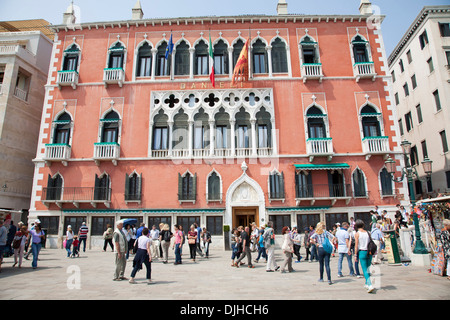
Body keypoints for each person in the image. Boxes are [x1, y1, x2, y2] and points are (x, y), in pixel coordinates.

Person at [354, 219, 374, 293]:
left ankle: (370, 284)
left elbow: (356, 246)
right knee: (368, 268)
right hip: (369, 252)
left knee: (364, 269)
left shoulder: (357, 234)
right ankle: (366, 283)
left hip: (362, 252)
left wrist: (355, 255)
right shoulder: (368, 233)